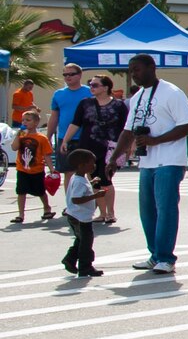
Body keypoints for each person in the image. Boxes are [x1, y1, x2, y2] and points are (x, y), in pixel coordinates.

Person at [114, 53, 188, 276]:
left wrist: (156, 140)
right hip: (148, 161)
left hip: (169, 160)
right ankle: (155, 254)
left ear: (152, 68)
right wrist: (114, 158)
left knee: (166, 209)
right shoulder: (137, 97)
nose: (134, 74)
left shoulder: (171, 92)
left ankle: (166, 257)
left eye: (137, 69)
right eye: (131, 70)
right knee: (147, 210)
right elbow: (128, 131)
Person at [65, 75, 124, 225]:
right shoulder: (85, 103)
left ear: (105, 88)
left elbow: (126, 128)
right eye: (90, 85)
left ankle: (111, 213)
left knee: (106, 179)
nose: (91, 87)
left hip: (110, 148)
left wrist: (129, 147)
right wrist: (65, 140)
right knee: (95, 181)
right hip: (88, 147)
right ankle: (102, 213)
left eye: (95, 85)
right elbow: (75, 124)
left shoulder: (119, 105)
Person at [60, 148, 102, 277]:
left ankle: (70, 259)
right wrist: (96, 196)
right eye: (91, 163)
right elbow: (76, 199)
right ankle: (85, 267)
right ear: (81, 165)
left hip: (76, 215)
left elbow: (81, 190)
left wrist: (91, 182)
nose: (93, 165)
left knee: (80, 240)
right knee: (86, 243)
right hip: (81, 217)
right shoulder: (79, 181)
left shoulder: (78, 177)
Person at [12, 109, 54, 223]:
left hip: (37, 170)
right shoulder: (21, 135)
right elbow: (14, 147)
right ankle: (21, 214)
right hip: (22, 169)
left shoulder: (41, 138)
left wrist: (51, 169)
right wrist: (18, 135)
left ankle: (47, 208)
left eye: (28, 120)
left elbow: (46, 155)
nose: (25, 122)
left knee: (40, 191)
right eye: (23, 120)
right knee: (21, 191)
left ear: (36, 123)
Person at [48, 64, 89, 158]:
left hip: (85, 137)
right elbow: (54, 117)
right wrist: (48, 137)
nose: (68, 77)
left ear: (80, 75)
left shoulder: (90, 92)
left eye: (71, 74)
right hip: (64, 137)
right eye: (65, 75)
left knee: (87, 168)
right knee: (67, 170)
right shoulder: (58, 94)